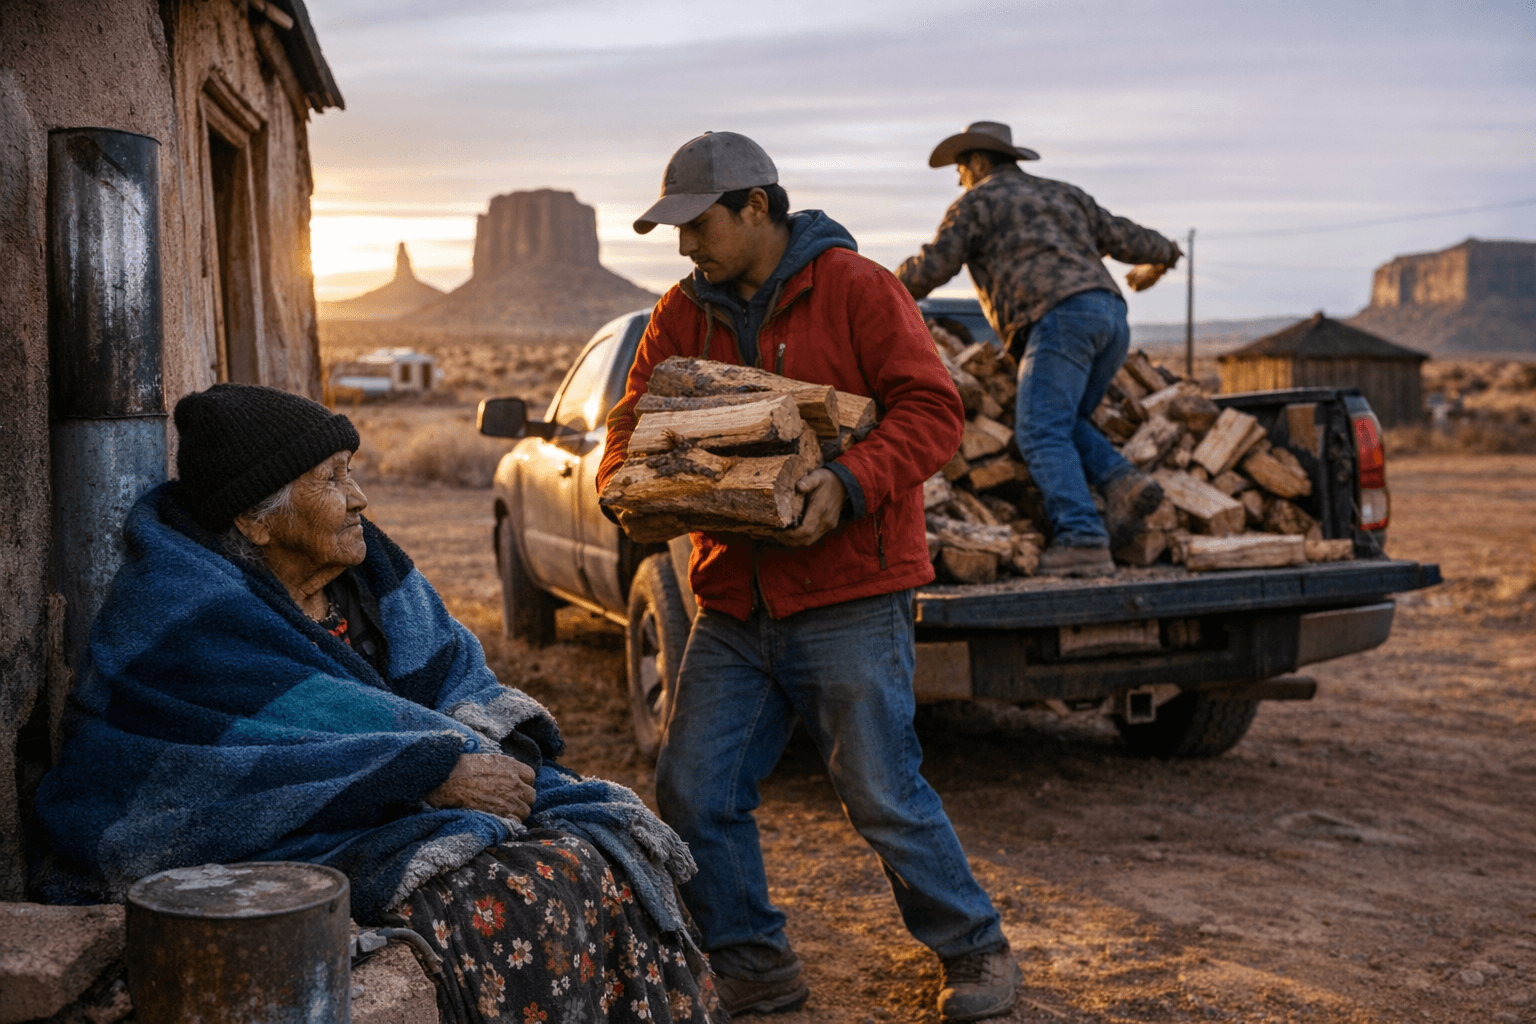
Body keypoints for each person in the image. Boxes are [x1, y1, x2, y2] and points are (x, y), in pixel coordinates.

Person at [33, 383, 719, 1024]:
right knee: (520, 895)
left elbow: (463, 680)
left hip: (419, 801)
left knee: (609, 848)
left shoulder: (372, 576)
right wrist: (428, 775)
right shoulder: (189, 620)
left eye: (351, 470)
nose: (359, 497)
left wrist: (484, 752)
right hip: (294, 835)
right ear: (256, 518)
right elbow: (237, 776)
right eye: (332, 480)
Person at [596, 131, 1020, 1023]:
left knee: (881, 792)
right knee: (692, 790)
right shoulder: (682, 312)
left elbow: (932, 410)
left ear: (758, 207)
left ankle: (975, 952)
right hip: (733, 603)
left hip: (850, 598)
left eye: (697, 223)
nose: (683, 246)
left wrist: (849, 481)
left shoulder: (859, 290)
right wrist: (621, 491)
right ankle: (754, 964)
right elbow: (630, 426)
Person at [897, 120, 1183, 577]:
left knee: (1038, 431)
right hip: (1109, 315)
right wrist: (1166, 251)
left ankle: (1083, 538)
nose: (959, 178)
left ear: (978, 161)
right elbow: (1128, 237)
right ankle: (1123, 480)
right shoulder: (1065, 194)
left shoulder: (977, 202)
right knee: (1066, 422)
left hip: (1058, 317)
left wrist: (875, 289)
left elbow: (934, 266)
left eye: (960, 168)